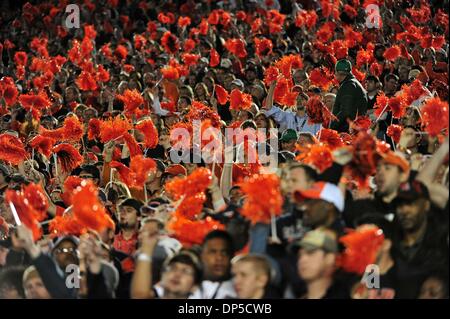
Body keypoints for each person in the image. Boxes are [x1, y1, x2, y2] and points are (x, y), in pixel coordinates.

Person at [392, 180, 449, 299]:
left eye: (411, 203)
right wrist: (372, 290)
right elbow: (371, 273)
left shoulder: (442, 242)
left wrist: (443, 284)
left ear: (426, 205)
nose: (404, 211)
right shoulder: (387, 239)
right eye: (400, 205)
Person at [296, 230, 350, 299]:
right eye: (299, 255)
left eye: (310, 252)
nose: (302, 260)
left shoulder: (348, 293)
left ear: (329, 258)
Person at [190, 230, 236, 299]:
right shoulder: (186, 286)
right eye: (213, 252)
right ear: (202, 256)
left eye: (225, 252)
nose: (219, 258)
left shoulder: (241, 291)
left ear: (231, 257)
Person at [330, 59, 368, 132]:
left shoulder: (348, 85)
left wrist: (332, 126)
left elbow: (346, 111)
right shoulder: (353, 83)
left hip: (348, 131)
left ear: (337, 72)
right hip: (353, 129)